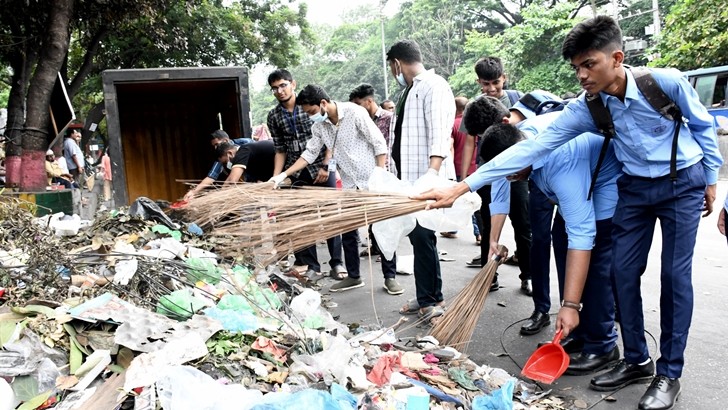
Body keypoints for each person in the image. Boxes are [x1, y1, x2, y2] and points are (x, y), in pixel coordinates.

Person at [417, 16, 722, 410]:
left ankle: (670, 373)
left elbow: (703, 126)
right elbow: (527, 150)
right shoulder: (587, 108)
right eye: (576, 67)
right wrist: (461, 187)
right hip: (633, 186)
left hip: (681, 181)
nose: (581, 75)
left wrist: (711, 181)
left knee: (674, 276)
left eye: (588, 64)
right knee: (620, 273)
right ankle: (636, 360)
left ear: (616, 57)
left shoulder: (663, 82)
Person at [480, 117, 622, 375]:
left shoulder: (561, 165)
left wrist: (570, 305)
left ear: (522, 157)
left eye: (511, 172)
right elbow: (500, 195)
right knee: (561, 245)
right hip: (578, 184)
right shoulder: (515, 149)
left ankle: (602, 345)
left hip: (606, 183)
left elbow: (582, 235)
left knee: (596, 261)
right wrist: (493, 240)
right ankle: (579, 332)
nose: (509, 177)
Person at [270, 84, 404, 295]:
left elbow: (379, 143)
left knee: (381, 229)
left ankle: (390, 277)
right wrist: (283, 175)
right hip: (350, 183)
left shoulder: (355, 112)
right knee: (349, 230)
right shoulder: (320, 126)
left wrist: (380, 174)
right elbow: (309, 153)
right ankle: (353, 276)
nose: (310, 117)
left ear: (323, 103)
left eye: (312, 112)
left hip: (372, 179)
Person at [385, 39, 455, 322]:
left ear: (397, 64)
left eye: (392, 68)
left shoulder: (433, 85)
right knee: (419, 238)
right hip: (410, 179)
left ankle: (430, 299)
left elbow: (440, 132)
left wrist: (432, 174)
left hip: (425, 178)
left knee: (424, 237)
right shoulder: (410, 90)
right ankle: (427, 294)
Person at [460, 57, 533, 296]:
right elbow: (469, 141)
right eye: (486, 84)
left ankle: (528, 274)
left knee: (523, 222)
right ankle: (488, 274)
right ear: (478, 82)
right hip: (489, 170)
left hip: (517, 170)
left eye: (496, 83)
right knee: (487, 220)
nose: (491, 89)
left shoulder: (517, 100)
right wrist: (466, 179)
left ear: (504, 78)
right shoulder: (476, 106)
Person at [266, 69, 344, 279]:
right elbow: (280, 149)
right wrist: (277, 177)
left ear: (293, 83)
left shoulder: (311, 107)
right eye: (275, 88)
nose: (280, 91)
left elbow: (332, 137)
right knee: (302, 220)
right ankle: (312, 267)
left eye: (283, 85)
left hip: (322, 167)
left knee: (329, 217)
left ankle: (337, 263)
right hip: (296, 171)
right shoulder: (273, 116)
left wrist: (326, 166)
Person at [348, 83, 400, 275]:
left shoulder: (388, 119)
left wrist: (384, 174)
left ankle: (389, 272)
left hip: (383, 175)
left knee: (385, 223)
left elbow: (389, 147)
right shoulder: (355, 121)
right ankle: (374, 247)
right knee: (369, 220)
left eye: (358, 104)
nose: (354, 108)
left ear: (369, 101)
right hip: (362, 178)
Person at [183, 130, 252, 200]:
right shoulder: (221, 155)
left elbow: (232, 180)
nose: (215, 148)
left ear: (226, 141)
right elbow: (212, 176)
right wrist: (194, 192)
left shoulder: (246, 144)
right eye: (214, 146)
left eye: (216, 144)